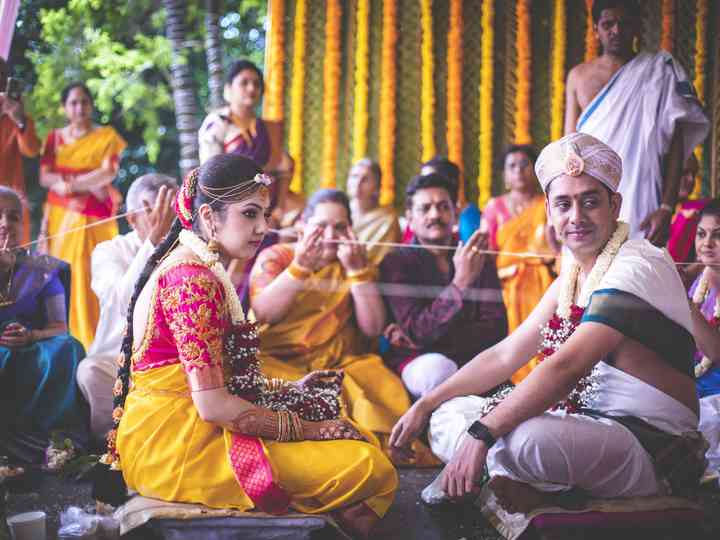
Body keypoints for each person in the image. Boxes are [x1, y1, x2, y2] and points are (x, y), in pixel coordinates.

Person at [390, 133, 705, 528]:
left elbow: (566, 367)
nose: (576, 216)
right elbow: (506, 355)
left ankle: (511, 477)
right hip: (587, 427)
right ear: (549, 213)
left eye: (590, 201)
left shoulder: (638, 264)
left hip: (649, 445)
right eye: (564, 203)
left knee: (522, 440)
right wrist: (425, 403)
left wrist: (482, 434)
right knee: (448, 414)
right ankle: (523, 480)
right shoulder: (572, 275)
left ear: (615, 205)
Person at [101, 155, 396, 539]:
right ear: (209, 217)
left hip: (184, 426)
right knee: (370, 466)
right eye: (250, 214)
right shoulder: (191, 280)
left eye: (266, 215)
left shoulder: (201, 265)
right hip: (176, 445)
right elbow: (212, 405)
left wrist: (289, 392)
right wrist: (310, 429)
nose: (263, 228)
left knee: (363, 439)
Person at [249, 189, 415, 458]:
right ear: (302, 225)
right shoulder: (277, 257)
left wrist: (357, 272)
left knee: (380, 382)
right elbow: (264, 313)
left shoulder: (358, 263)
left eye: (339, 227)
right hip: (278, 361)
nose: (329, 236)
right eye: (321, 226)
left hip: (338, 363)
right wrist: (301, 266)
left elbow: (372, 328)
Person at [564, 0, 709, 242]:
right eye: (608, 24)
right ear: (595, 30)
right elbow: (568, 148)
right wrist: (563, 211)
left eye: (624, 23)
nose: (616, 30)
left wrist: (665, 208)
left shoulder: (660, 71)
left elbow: (676, 148)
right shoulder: (578, 77)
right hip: (588, 198)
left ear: (636, 28)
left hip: (643, 197)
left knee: (635, 271)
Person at [379, 173, 507, 399]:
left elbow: (496, 331)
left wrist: (421, 341)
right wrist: (460, 283)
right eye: (425, 208)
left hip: (473, 361)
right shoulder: (396, 262)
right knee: (437, 370)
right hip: (421, 363)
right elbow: (417, 329)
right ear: (409, 217)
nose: (435, 214)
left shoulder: (478, 259)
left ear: (456, 212)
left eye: (443, 206)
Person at [76, 173, 178, 442]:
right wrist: (155, 241)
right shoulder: (108, 251)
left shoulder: (187, 249)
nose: (168, 221)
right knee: (90, 370)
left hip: (171, 361)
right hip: (116, 361)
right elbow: (124, 303)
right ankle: (109, 449)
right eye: (157, 212)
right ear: (132, 219)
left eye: (173, 211)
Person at [0, 187, 86, 463]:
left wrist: (32, 335)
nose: (5, 223)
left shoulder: (43, 269)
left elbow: (60, 327)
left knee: (69, 348)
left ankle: (55, 439)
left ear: (23, 225)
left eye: (13, 217)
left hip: (32, 347)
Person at [39, 81, 127, 350]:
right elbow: (44, 176)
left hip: (95, 218)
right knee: (65, 272)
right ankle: (66, 341)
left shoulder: (106, 136)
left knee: (96, 274)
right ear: (65, 108)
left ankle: (100, 342)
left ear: (91, 105)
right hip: (61, 218)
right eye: (73, 103)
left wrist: (71, 184)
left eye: (84, 102)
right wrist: (84, 183)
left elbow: (108, 173)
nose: (79, 108)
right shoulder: (54, 138)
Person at [480, 145, 554, 383]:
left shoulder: (548, 203)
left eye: (525, 164)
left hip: (544, 277)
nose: (519, 170)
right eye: (512, 166)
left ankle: (543, 374)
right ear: (505, 175)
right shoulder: (495, 207)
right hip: (504, 281)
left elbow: (556, 247)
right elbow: (487, 251)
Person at [686, 200, 720, 480]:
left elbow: (715, 351)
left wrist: (681, 301)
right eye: (701, 233)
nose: (707, 243)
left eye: (717, 235)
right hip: (697, 383)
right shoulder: (702, 279)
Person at [198, 59, 281, 169]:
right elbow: (210, 170)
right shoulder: (217, 121)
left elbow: (279, 166)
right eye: (244, 83)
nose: (252, 88)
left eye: (257, 84)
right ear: (229, 88)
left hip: (265, 186)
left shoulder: (266, 127)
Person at [0, 57, 41, 243]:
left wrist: (19, 119)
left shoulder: (16, 114)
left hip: (8, 204)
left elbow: (31, 149)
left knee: (12, 260)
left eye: (2, 75)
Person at [347, 158, 401, 264]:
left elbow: (384, 259)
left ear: (377, 186)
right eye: (354, 177)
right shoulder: (340, 212)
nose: (357, 183)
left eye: (365, 179)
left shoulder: (387, 219)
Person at [667, 153, 709, 263]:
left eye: (694, 174)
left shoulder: (700, 210)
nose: (691, 179)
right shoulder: (651, 211)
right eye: (684, 173)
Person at [267, 151, 305, 240]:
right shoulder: (260, 199)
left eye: (291, 170)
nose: (286, 178)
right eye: (280, 173)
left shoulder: (300, 201)